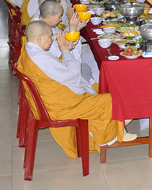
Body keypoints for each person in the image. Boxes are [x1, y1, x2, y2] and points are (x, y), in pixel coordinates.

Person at [16, 21, 133, 158]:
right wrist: (66, 51)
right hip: (58, 107)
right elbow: (72, 72)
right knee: (107, 99)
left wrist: (66, 51)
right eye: (50, 36)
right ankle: (108, 138)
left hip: (48, 100)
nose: (52, 39)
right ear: (40, 38)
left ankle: (116, 124)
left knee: (95, 89)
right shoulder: (41, 59)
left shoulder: (29, 51)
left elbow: (55, 68)